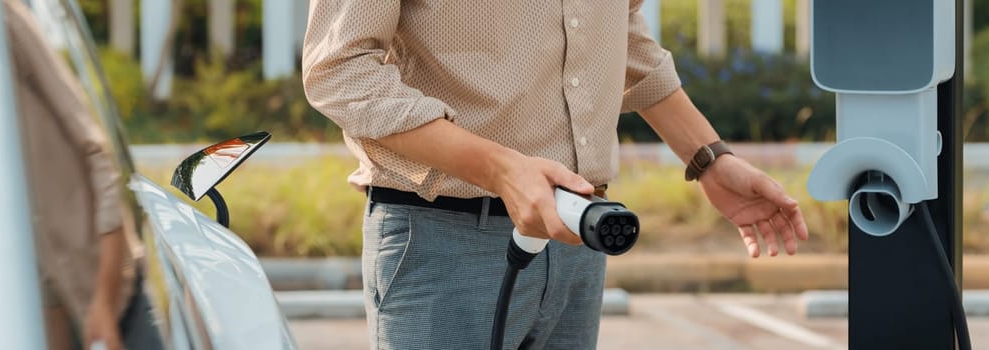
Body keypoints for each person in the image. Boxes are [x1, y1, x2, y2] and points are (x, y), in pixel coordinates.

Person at [302, 1, 810, 348]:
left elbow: (620, 33)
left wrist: (710, 159)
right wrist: (501, 169)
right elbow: (339, 68)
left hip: (577, 242)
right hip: (443, 242)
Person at [4, 0, 162, 349]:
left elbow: (96, 151)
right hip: (49, 309)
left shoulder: (4, 21)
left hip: (113, 297)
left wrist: (103, 301)